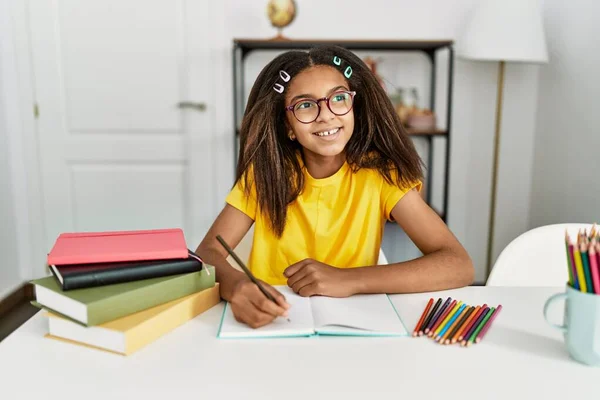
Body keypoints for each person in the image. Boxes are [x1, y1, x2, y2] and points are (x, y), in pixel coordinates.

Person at [196, 45, 473, 328]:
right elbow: (207, 253)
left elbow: (457, 264)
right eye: (305, 105)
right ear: (288, 126)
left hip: (356, 324)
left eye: (338, 98)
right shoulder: (266, 174)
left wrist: (348, 279)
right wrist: (238, 286)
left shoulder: (381, 175)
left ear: (354, 106)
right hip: (275, 324)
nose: (326, 115)